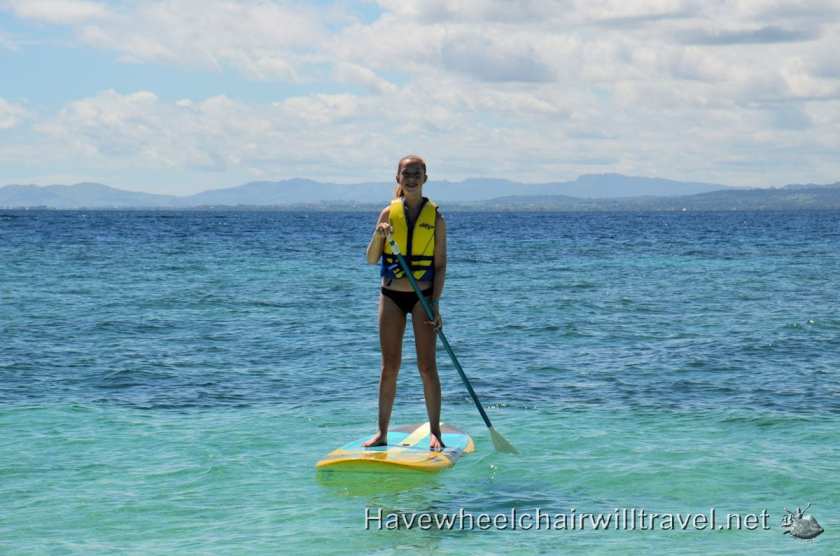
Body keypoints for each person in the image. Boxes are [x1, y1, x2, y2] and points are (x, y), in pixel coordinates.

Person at [364, 154, 447, 451]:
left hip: (422, 296)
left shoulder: (435, 217)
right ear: (397, 178)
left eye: (417, 173)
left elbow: (439, 265)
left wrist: (435, 304)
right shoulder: (387, 213)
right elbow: (372, 258)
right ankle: (382, 432)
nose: (411, 177)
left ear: (425, 178)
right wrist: (379, 235)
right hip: (391, 296)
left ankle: (435, 431)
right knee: (390, 367)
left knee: (427, 366)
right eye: (406, 173)